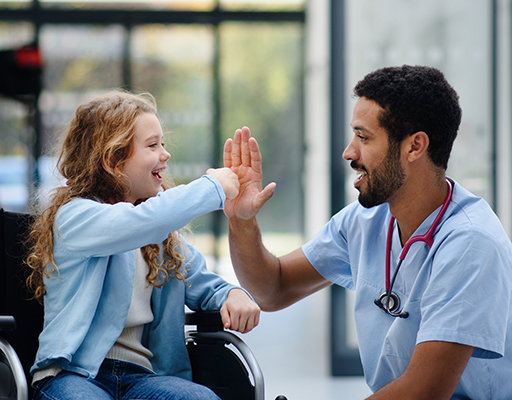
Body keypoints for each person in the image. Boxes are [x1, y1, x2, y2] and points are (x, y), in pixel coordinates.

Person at [224, 65, 512, 399]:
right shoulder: (365, 221)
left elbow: (425, 391)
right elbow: (273, 288)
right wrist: (241, 220)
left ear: (414, 146)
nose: (349, 152)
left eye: (363, 137)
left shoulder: (471, 243)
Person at [25, 90, 260, 400]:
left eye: (163, 143)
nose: (165, 154)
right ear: (112, 160)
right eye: (152, 145)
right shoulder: (76, 217)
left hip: (143, 378)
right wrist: (212, 187)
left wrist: (233, 293)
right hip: (75, 375)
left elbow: (203, 282)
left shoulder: (161, 238)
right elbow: (139, 223)